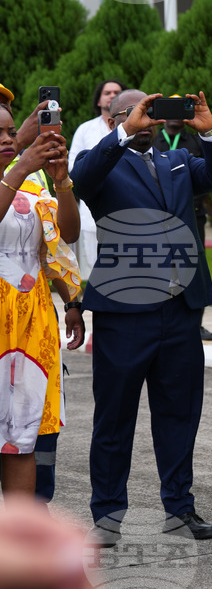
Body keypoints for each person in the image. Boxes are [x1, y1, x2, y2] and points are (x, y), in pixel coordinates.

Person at [71, 89, 212, 547]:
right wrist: (124, 131)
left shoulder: (178, 160)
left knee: (179, 416)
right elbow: (81, 180)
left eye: (152, 114)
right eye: (137, 114)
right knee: (114, 418)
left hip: (179, 311)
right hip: (124, 314)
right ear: (117, 119)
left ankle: (179, 508)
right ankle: (107, 516)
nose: (148, 122)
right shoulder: (101, 161)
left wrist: (211, 132)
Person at [0, 103, 80, 498]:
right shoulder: (19, 171)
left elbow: (66, 237)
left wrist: (61, 181)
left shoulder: (32, 181)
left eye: (11, 130)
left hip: (30, 328)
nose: (6, 139)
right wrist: (19, 162)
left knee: (21, 442)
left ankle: (22, 547)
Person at [153, 109, 212, 341]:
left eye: (180, 111)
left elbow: (206, 173)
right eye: (171, 110)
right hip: (158, 217)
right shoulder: (152, 139)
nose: (174, 116)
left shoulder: (194, 140)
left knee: (193, 267)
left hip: (192, 214)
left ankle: (196, 323)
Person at [67, 79, 124, 280]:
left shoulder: (135, 130)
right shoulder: (85, 129)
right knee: (97, 271)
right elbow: (73, 166)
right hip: (92, 214)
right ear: (99, 101)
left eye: (117, 92)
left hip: (126, 208)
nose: (112, 95)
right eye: (107, 92)